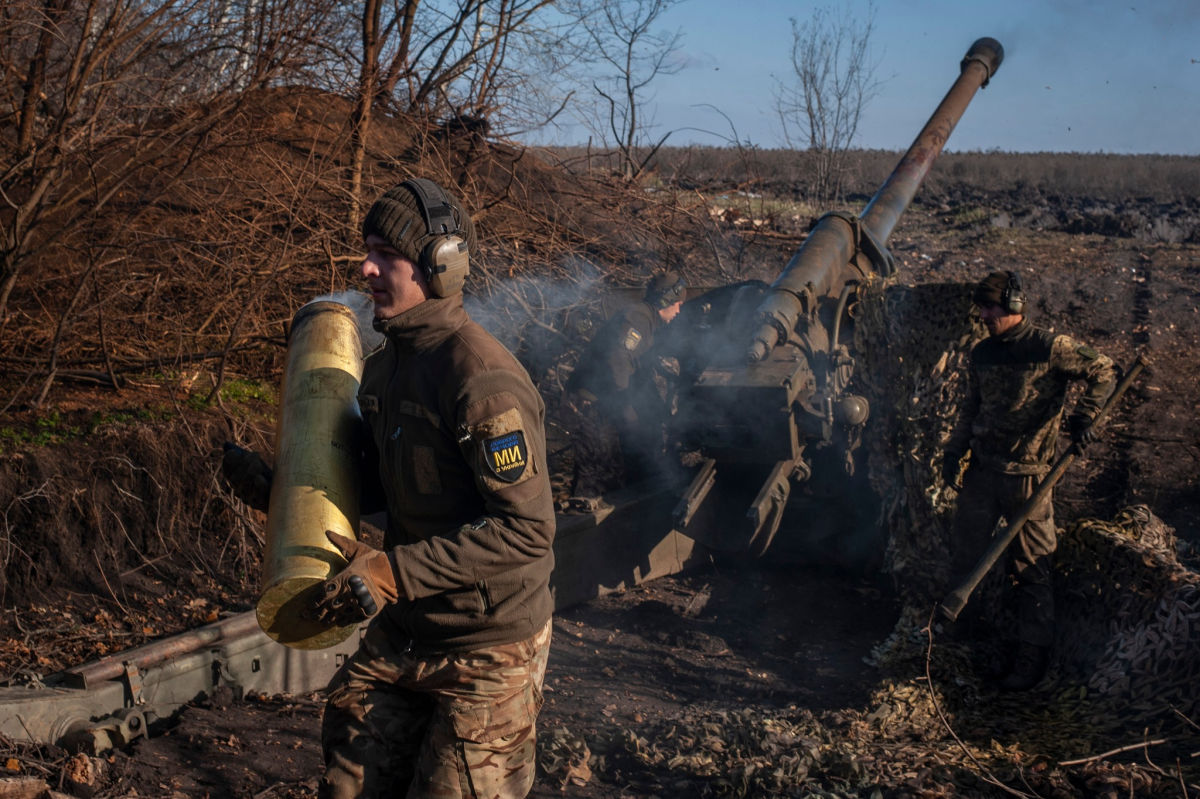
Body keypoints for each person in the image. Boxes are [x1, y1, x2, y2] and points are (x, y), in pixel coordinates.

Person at [223, 178, 555, 798]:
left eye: (386, 254)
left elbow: (527, 532)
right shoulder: (385, 367)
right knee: (350, 772)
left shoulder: (481, 381)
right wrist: (277, 492)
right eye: (366, 249)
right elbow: (386, 486)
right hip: (409, 628)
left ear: (440, 267)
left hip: (486, 648)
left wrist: (387, 573)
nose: (365, 266)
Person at [941, 270, 1115, 691]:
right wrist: (954, 450)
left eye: (990, 307)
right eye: (981, 308)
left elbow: (1104, 369)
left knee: (1032, 570)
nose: (983, 315)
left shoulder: (1048, 346)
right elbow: (971, 408)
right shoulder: (982, 353)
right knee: (965, 559)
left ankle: (1029, 664)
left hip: (1030, 479)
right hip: (983, 473)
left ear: (1015, 305)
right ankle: (961, 647)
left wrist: (1086, 415)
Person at [564, 270, 686, 511]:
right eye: (678, 304)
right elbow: (618, 359)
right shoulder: (638, 318)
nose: (680, 311)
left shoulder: (648, 321)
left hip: (604, 402)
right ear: (666, 301)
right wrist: (627, 407)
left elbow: (638, 368)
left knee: (630, 463)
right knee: (596, 477)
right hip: (595, 404)